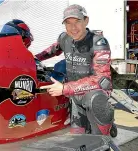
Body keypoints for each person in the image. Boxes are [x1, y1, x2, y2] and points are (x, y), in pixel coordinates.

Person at [38, 4, 114, 138]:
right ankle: (98, 123)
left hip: (94, 95)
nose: (73, 28)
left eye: (77, 21)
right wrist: (34, 58)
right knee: (78, 139)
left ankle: (104, 134)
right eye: (68, 23)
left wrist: (64, 88)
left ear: (86, 21)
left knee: (98, 141)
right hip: (75, 96)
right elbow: (53, 49)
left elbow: (102, 80)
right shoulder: (65, 38)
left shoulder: (98, 42)